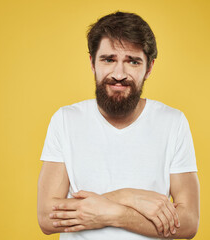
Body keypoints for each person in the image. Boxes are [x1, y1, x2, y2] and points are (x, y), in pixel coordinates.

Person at [37, 11, 200, 240]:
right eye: (109, 59)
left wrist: (116, 214)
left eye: (132, 61)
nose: (119, 74)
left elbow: (189, 221)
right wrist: (130, 197)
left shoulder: (173, 122)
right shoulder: (65, 120)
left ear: (149, 68)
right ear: (93, 63)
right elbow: (47, 217)